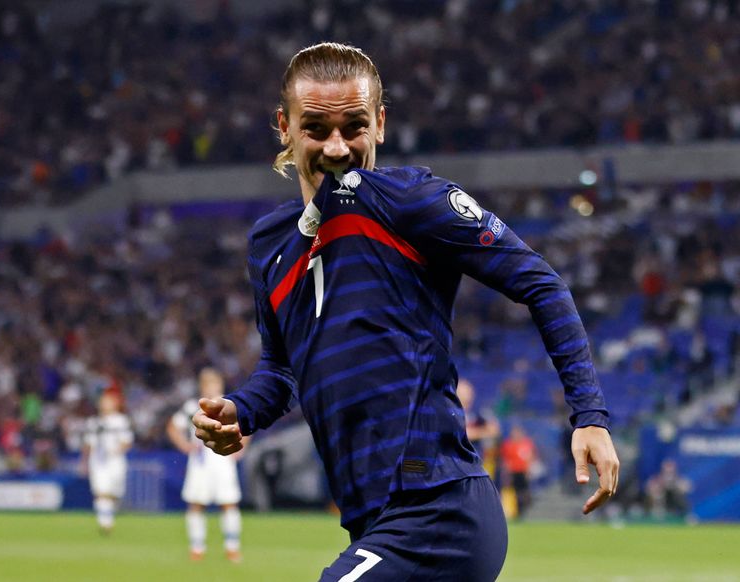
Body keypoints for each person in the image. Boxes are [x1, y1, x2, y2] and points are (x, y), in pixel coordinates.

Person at [193, 42, 620, 581]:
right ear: (283, 126)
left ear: (381, 123)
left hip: (438, 511)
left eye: (355, 126)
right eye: (316, 128)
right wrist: (240, 410)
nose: (338, 146)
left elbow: (541, 282)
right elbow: (281, 371)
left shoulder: (409, 200)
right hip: (372, 523)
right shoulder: (269, 245)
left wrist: (590, 417)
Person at [167, 367, 243, 562]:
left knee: (228, 503)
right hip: (200, 463)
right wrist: (184, 445)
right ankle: (197, 547)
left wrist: (242, 447)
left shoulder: (230, 405)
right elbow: (173, 427)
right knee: (196, 503)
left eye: (214, 383)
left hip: (224, 460)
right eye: (207, 384)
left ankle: (232, 547)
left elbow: (246, 425)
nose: (211, 388)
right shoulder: (193, 406)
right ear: (202, 387)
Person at [81, 391, 133, 534]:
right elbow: (88, 444)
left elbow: (127, 441)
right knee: (101, 491)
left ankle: (107, 515)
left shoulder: (121, 421)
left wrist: (115, 450)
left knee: (114, 494)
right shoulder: (93, 422)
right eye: (103, 401)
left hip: (115, 460)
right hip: (98, 461)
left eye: (108, 401)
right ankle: (105, 523)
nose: (104, 405)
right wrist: (84, 462)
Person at [499, 424, 537, 518]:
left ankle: (525, 508)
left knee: (524, 491)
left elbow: (530, 457)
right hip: (513, 472)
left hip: (523, 472)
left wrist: (529, 470)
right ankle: (517, 512)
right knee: (514, 493)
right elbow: (505, 460)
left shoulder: (526, 443)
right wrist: (506, 473)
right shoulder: (508, 444)